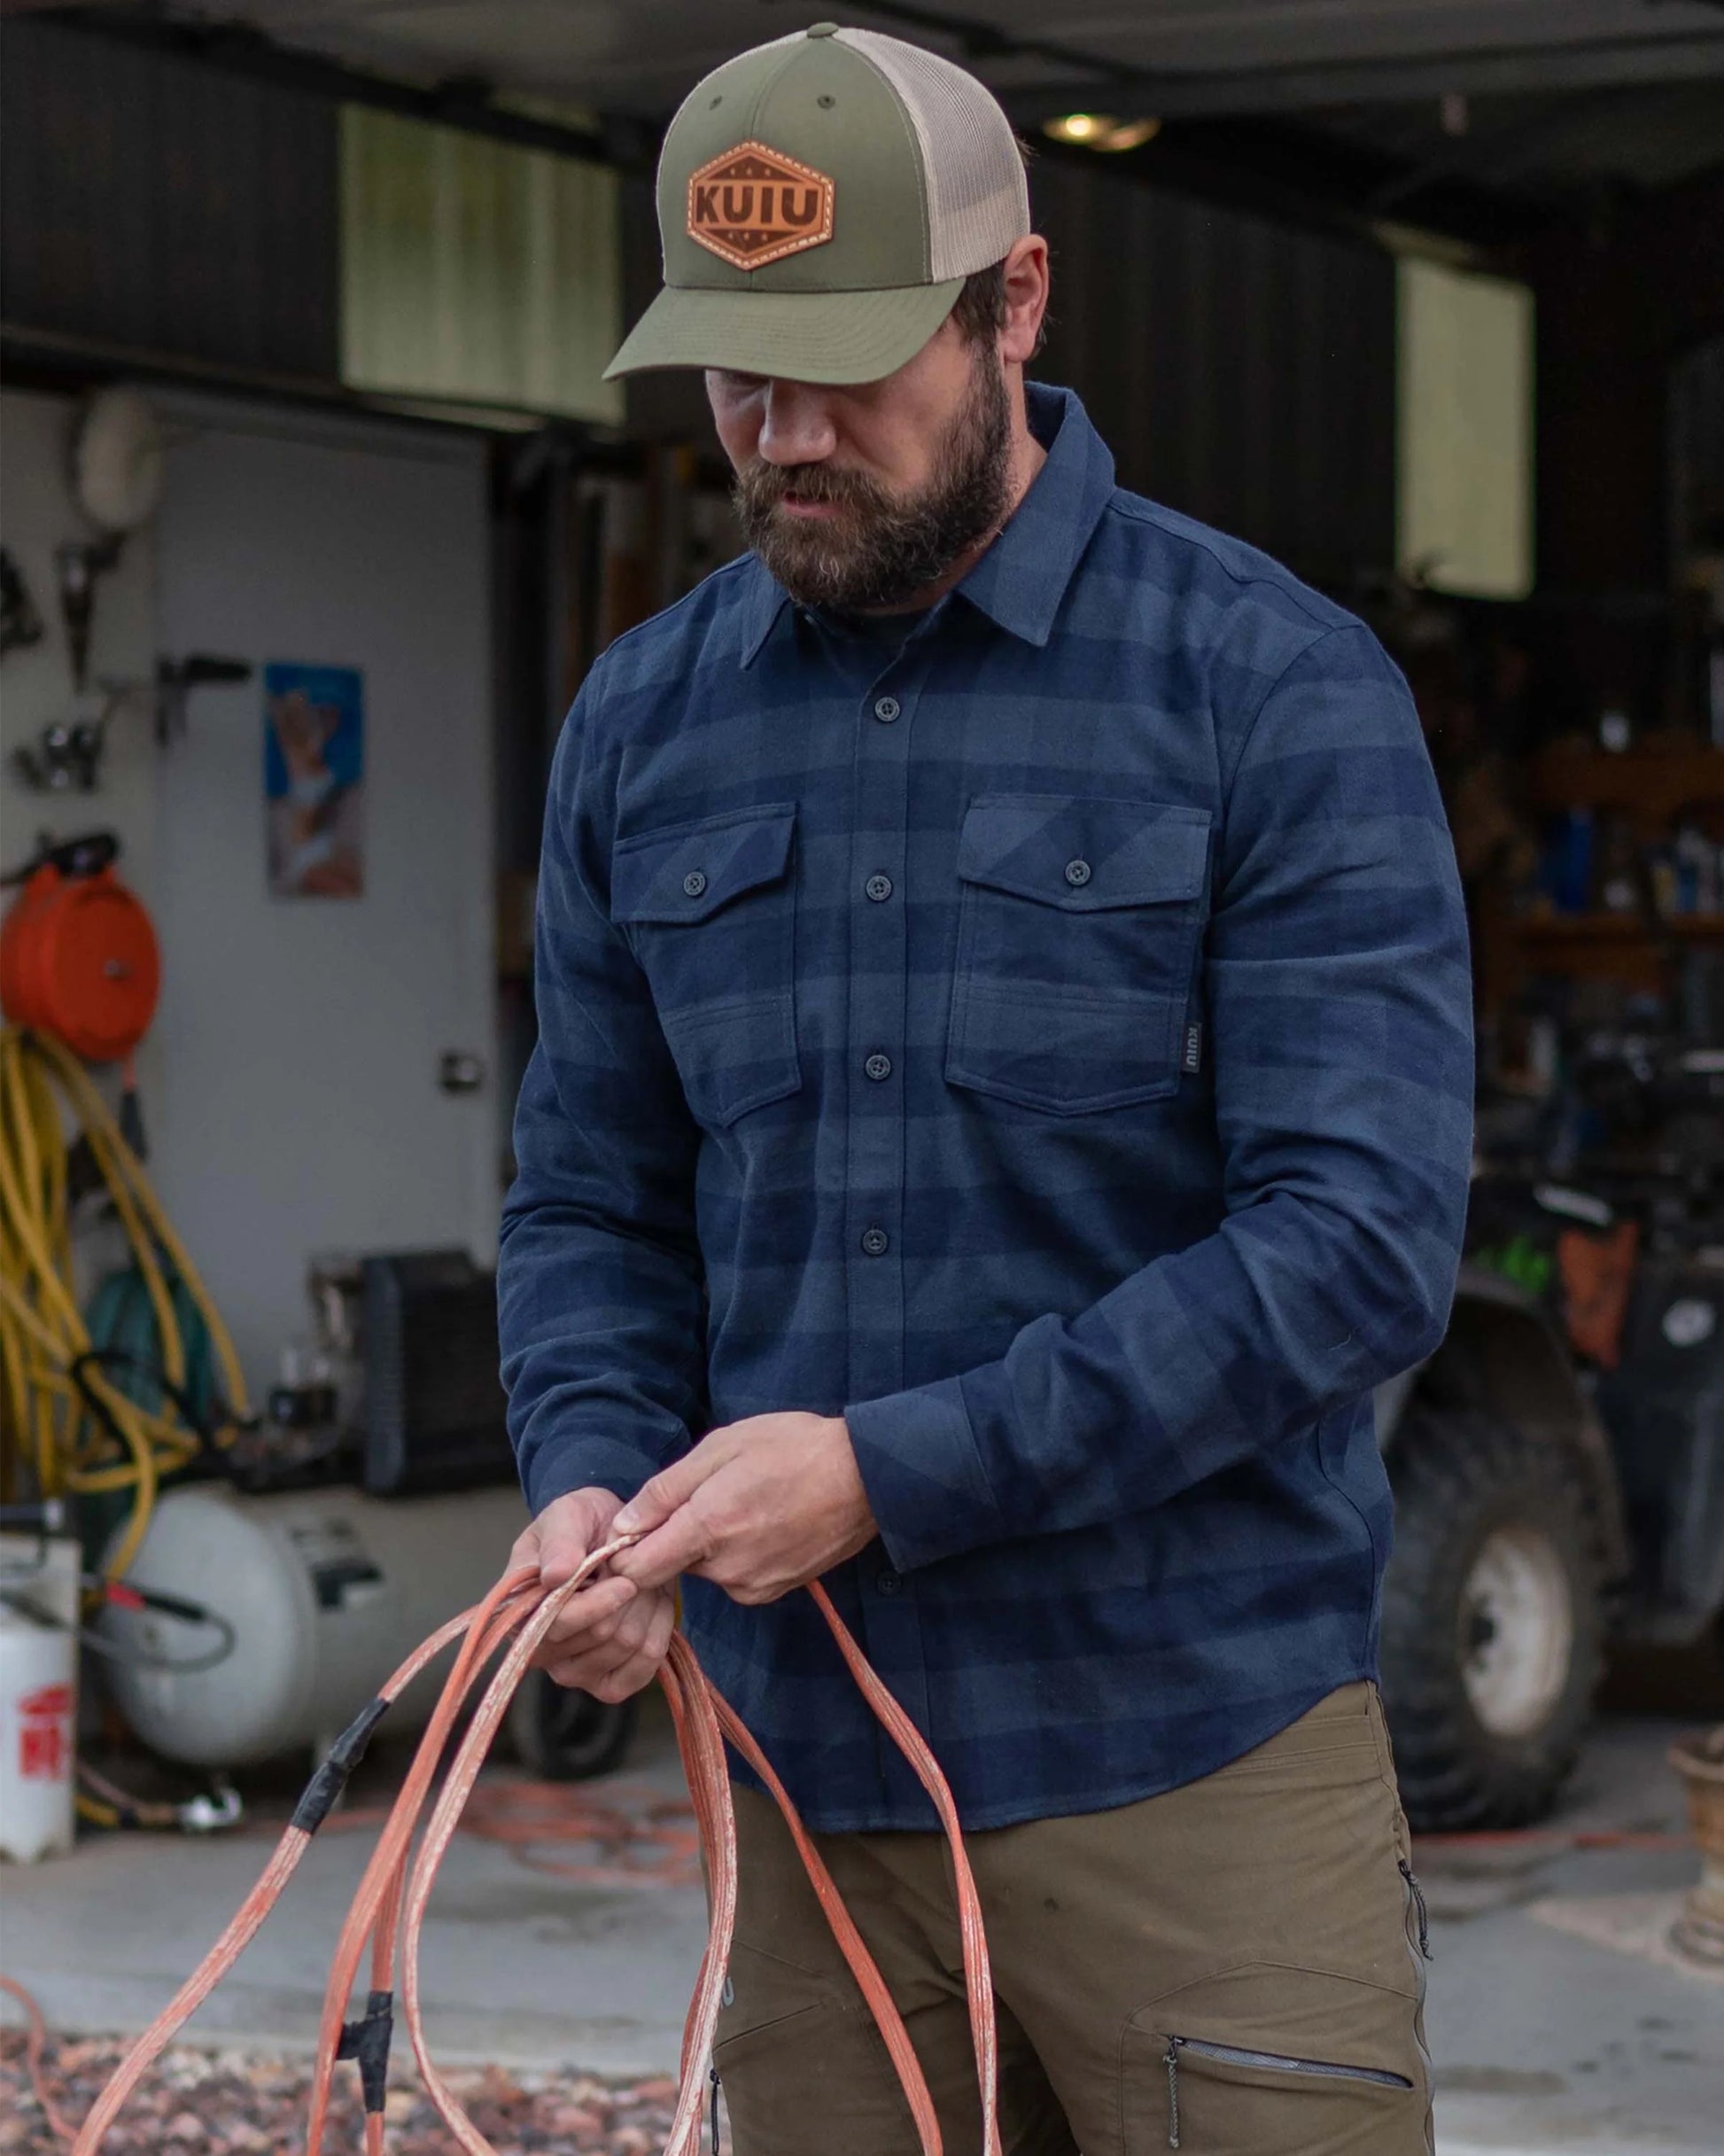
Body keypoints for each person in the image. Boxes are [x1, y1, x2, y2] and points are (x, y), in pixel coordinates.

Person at [498, 23, 1472, 2154]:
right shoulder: (642, 727)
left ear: (1012, 302)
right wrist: (588, 1468)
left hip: (1195, 1763)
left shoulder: (1267, 687)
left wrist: (886, 1470)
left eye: (842, 365)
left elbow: (1356, 1244)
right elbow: (590, 1196)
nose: (784, 434)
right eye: (735, 374)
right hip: (809, 1794)